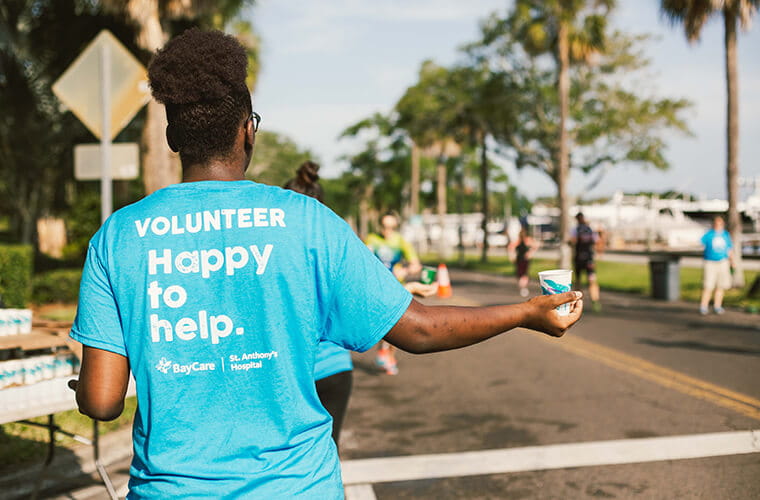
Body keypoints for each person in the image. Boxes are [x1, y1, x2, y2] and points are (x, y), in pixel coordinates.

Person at [68, 28, 583, 499]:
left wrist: (87, 386)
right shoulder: (306, 222)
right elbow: (419, 329)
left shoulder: (119, 237)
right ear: (248, 131)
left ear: (172, 139)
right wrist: (526, 313)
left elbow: (102, 400)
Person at [284, 160, 353, 447]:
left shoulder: (268, 252)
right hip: (334, 368)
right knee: (328, 454)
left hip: (286, 374)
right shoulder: (335, 245)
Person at [365, 212, 422, 375]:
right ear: (380, 226)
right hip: (377, 289)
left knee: (397, 326)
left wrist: (404, 270)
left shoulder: (400, 241)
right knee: (385, 323)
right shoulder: (372, 239)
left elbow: (415, 265)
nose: (387, 230)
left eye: (391, 227)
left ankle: (389, 356)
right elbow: (365, 259)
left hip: (398, 289)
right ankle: (384, 351)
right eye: (384, 226)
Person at [699, 216, 734, 315]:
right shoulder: (708, 235)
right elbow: (700, 244)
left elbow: (729, 249)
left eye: (720, 223)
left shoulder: (725, 235)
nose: (718, 225)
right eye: (716, 223)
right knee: (708, 285)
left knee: (720, 286)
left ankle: (717, 306)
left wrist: (732, 261)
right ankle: (703, 306)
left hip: (723, 262)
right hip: (710, 263)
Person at [570, 212, 601, 312]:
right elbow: (596, 242)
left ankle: (577, 302)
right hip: (589, 259)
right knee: (592, 280)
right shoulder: (590, 229)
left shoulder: (575, 229)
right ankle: (595, 301)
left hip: (579, 259)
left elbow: (572, 241)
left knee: (578, 281)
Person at [508, 225, 540, 297]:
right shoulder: (520, 241)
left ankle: (523, 287)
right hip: (521, 259)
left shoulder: (525, 240)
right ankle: (523, 287)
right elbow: (511, 248)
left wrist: (531, 253)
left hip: (522, 259)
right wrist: (531, 252)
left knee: (522, 274)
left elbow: (536, 245)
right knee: (522, 274)